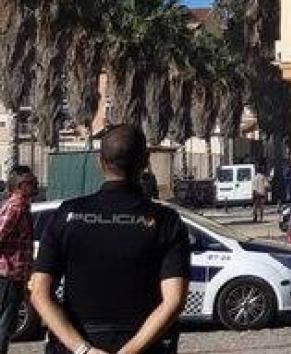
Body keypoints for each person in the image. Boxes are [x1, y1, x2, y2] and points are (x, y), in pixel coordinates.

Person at [31, 125, 190, 354]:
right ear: (145, 161)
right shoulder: (166, 221)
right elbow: (174, 300)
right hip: (145, 345)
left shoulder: (67, 214)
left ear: (100, 162)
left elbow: (39, 292)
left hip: (78, 343)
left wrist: (82, 349)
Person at [0, 166, 37, 354]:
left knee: (8, 324)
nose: (35, 186)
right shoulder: (15, 207)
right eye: (31, 183)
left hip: (15, 277)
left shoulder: (23, 207)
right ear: (20, 186)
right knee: (4, 326)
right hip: (7, 276)